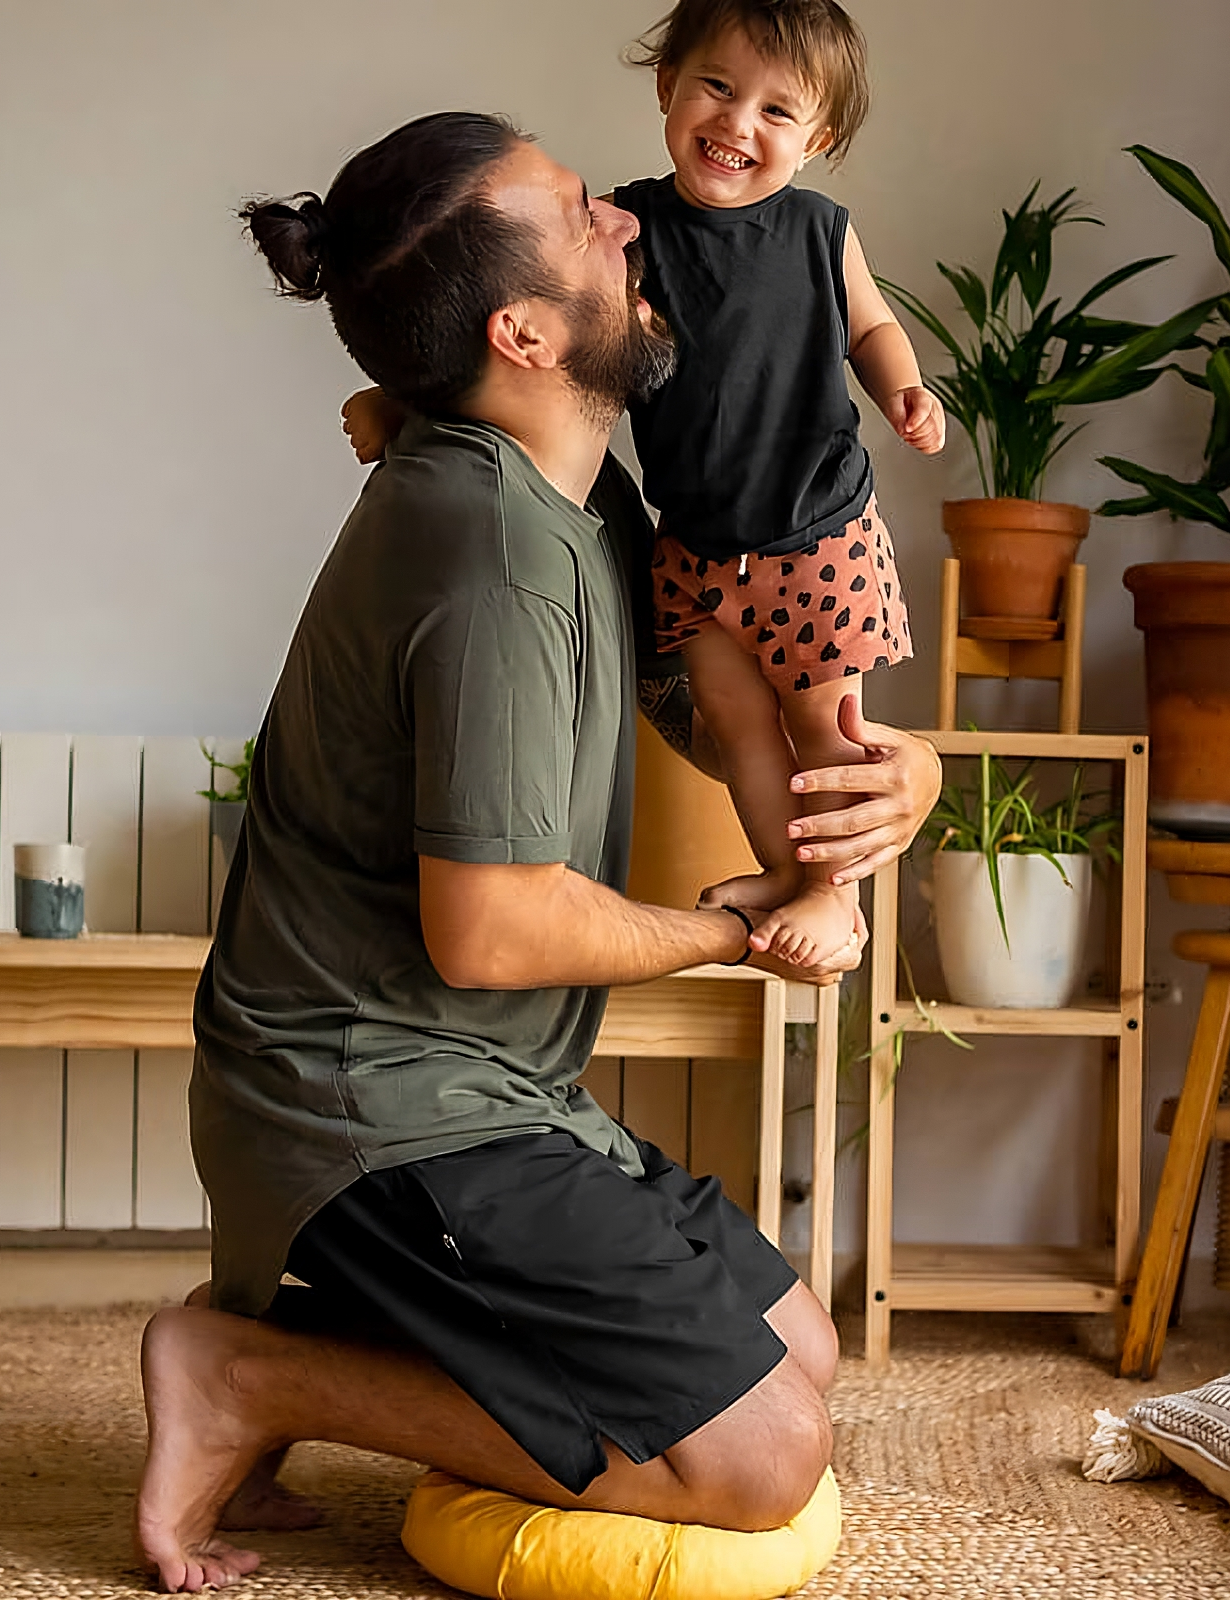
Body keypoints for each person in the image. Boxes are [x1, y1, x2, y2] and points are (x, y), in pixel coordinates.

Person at [133, 111, 940, 1594]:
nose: (636, 224)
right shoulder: (488, 549)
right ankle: (247, 1374)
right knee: (763, 1463)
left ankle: (322, 1345)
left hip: (492, 1088)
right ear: (522, 330)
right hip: (370, 1104)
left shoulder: (578, 507)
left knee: (800, 1347)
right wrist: (735, 927)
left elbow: (706, 705)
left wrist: (905, 776)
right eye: (589, 220)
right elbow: (493, 935)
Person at [345, 0, 943, 971]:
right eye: (716, 86)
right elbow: (513, 324)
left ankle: (831, 893)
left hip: (816, 532)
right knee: (743, 731)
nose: (738, 123)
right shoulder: (638, 230)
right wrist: (397, 394)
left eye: (777, 111)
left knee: (822, 725)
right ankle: (791, 875)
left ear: (819, 137)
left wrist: (905, 386)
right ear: (667, 86)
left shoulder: (821, 233)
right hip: (698, 546)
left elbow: (872, 328)